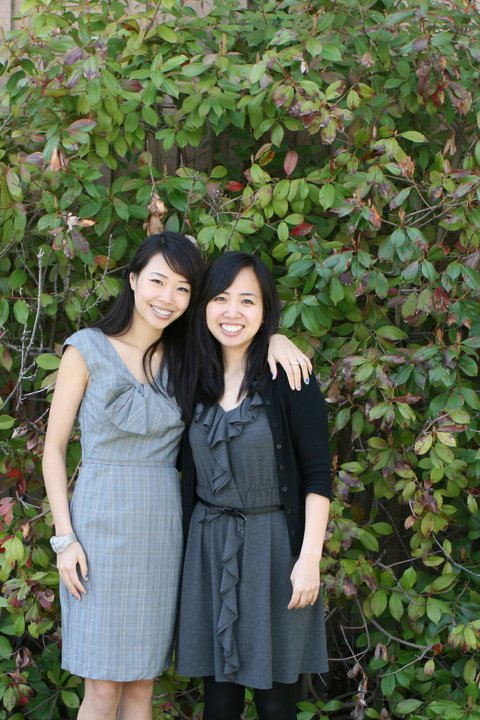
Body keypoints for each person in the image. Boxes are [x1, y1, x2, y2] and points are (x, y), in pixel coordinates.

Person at [42, 233, 312, 720]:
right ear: (132, 280)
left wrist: (276, 337)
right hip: (98, 530)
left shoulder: (189, 359)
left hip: (165, 534)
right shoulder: (85, 349)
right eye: (157, 281)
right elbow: (54, 449)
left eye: (183, 288)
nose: (167, 297)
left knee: (142, 685)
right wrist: (65, 539)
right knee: (101, 689)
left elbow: (237, 336)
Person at [176, 251, 332, 720]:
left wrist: (309, 559)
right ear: (204, 305)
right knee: (218, 702)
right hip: (208, 549)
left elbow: (318, 475)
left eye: (248, 301)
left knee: (276, 703)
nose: (233, 312)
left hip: (276, 553)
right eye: (221, 298)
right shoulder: (190, 374)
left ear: (265, 311)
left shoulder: (291, 377)